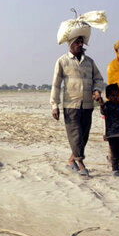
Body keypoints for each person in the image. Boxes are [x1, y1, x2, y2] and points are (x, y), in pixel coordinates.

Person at [51, 35, 104, 177]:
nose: (80, 44)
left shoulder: (89, 62)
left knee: (84, 136)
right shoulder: (62, 61)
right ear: (70, 44)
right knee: (75, 135)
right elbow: (56, 84)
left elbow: (98, 79)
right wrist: (55, 105)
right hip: (71, 105)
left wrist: (97, 90)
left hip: (87, 105)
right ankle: (80, 163)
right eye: (77, 42)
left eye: (81, 42)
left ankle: (70, 161)